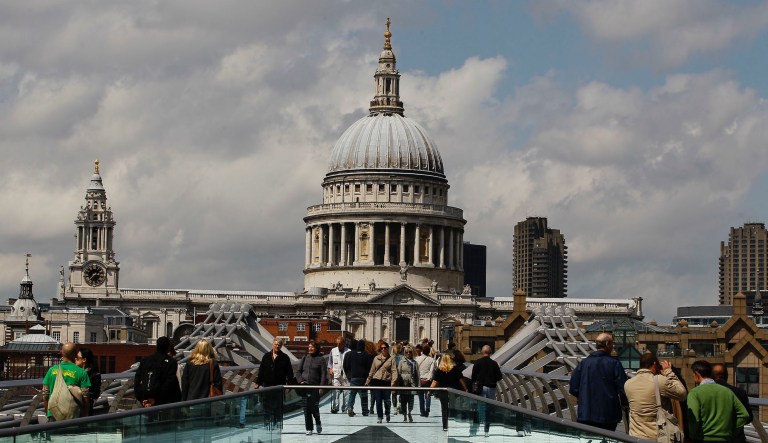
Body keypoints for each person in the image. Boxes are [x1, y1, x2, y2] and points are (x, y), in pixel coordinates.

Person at [568, 333, 628, 431]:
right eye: (612, 344)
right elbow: (623, 389)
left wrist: (584, 397)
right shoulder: (614, 364)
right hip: (608, 415)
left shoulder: (584, 363)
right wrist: (624, 404)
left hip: (586, 413)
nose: (613, 347)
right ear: (608, 343)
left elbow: (573, 388)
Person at [623, 353, 687, 440]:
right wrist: (668, 372)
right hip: (656, 436)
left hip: (635, 435)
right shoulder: (659, 380)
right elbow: (682, 394)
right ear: (654, 364)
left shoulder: (628, 384)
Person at [686, 360, 750, 442]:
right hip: (725, 438)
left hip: (702, 438)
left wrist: (691, 435)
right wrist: (731, 431)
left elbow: (693, 419)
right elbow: (744, 415)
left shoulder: (694, 393)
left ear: (697, 374)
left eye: (693, 375)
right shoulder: (727, 392)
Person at [42, 342, 91, 420]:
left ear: (61, 353)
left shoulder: (51, 370)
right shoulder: (81, 372)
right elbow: (85, 397)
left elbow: (45, 394)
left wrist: (48, 413)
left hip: (54, 414)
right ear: (75, 355)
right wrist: (84, 416)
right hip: (73, 415)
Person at [256, 339, 295, 428]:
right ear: (272, 344)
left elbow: (289, 372)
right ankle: (267, 422)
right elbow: (261, 370)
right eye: (276, 344)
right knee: (267, 405)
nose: (277, 346)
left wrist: (289, 385)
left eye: (279, 345)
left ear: (281, 346)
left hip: (279, 385)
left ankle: (277, 422)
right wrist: (258, 382)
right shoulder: (266, 356)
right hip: (267, 385)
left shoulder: (285, 357)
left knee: (278, 405)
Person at [135, 336, 182, 407]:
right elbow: (169, 383)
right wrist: (155, 400)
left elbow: (137, 381)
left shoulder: (145, 361)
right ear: (168, 347)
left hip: (146, 402)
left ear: (157, 346)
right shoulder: (171, 362)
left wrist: (142, 399)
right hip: (165, 403)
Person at [711, 363, 753, 443]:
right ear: (726, 376)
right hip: (736, 438)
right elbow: (749, 417)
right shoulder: (740, 392)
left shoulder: (705, 393)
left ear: (712, 376)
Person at [430, 353, 468, 431]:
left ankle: (445, 426)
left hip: (442, 391)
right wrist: (466, 389)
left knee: (444, 409)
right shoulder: (456, 369)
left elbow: (435, 382)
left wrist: (429, 391)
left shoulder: (440, 370)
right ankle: (452, 424)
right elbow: (461, 380)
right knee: (452, 408)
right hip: (453, 391)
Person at [296, 341, 327, 436]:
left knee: (314, 408)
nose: (310, 348)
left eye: (312, 347)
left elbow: (323, 375)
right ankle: (309, 428)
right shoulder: (305, 358)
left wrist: (321, 387)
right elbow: (298, 371)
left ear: (316, 348)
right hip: (305, 386)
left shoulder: (321, 359)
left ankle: (318, 421)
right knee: (306, 408)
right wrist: (300, 380)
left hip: (315, 387)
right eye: (309, 347)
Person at [471, 345, 503, 437]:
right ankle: (486, 430)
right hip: (491, 388)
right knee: (489, 409)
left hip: (480, 388)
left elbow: (473, 377)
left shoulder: (477, 362)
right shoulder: (494, 363)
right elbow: (499, 377)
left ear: (482, 352)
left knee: (479, 407)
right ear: (490, 353)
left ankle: (476, 428)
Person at [366, 340, 397, 424]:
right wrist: (368, 381)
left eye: (385, 348)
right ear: (380, 349)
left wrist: (393, 381)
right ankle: (380, 416)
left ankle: (387, 413)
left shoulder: (391, 359)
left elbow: (394, 371)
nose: (383, 349)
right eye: (382, 348)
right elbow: (372, 371)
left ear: (388, 349)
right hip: (377, 381)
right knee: (378, 400)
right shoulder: (376, 358)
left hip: (386, 381)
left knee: (387, 400)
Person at [344, 339, 373, 416]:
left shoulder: (351, 354)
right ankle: (365, 410)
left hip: (354, 377)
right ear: (363, 346)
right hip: (363, 378)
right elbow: (370, 367)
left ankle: (350, 407)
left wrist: (349, 376)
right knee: (364, 395)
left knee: (352, 394)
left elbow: (346, 366)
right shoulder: (367, 355)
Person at [76, 347, 102, 416]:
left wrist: (82, 392)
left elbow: (95, 393)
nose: (75, 359)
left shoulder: (94, 375)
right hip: (75, 408)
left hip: (85, 408)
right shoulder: (76, 372)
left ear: (84, 360)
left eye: (78, 358)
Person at [328, 336, 350, 414]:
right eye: (337, 343)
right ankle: (335, 407)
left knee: (346, 392)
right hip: (336, 374)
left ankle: (345, 408)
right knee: (335, 391)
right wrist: (330, 368)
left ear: (344, 343)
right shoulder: (333, 351)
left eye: (340, 344)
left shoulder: (348, 351)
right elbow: (330, 362)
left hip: (345, 375)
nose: (338, 345)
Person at [397, 345, 419, 422]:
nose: (408, 353)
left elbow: (417, 375)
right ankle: (405, 415)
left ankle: (409, 412)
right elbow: (398, 373)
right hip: (403, 384)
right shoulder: (401, 362)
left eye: (410, 352)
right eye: (406, 352)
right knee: (403, 401)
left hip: (412, 384)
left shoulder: (415, 363)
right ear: (404, 353)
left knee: (411, 400)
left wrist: (418, 386)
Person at [415, 344, 435, 417]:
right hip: (427, 380)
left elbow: (416, 370)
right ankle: (427, 408)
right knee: (428, 395)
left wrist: (418, 378)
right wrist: (429, 379)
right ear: (429, 351)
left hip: (420, 379)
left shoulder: (417, 359)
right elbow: (432, 371)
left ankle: (422, 412)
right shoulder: (432, 359)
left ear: (422, 351)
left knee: (421, 397)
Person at [391, 342, 404, 414]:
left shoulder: (390, 357)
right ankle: (400, 405)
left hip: (393, 377)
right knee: (401, 392)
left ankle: (395, 408)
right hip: (401, 377)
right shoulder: (403, 357)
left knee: (394, 393)